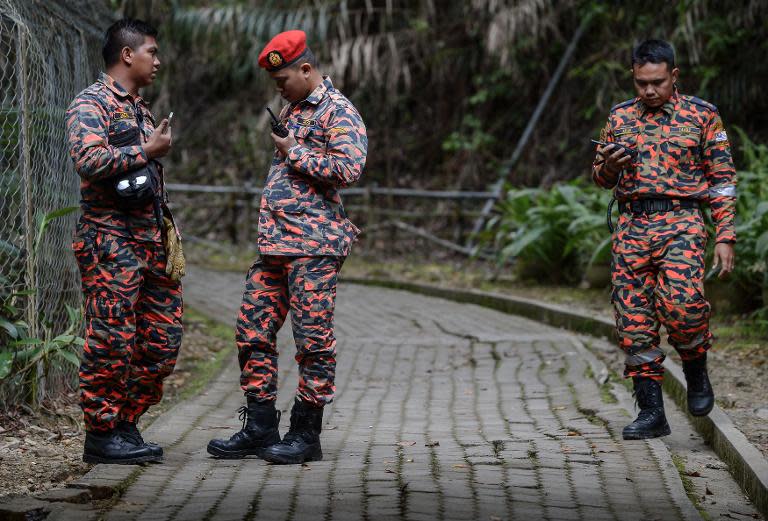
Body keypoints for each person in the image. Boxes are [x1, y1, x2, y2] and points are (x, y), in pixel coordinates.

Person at [207, 30, 367, 464]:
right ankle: (260, 427)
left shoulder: (338, 112)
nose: (278, 88)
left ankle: (305, 433)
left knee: (312, 340)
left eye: (283, 79)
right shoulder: (293, 109)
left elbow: (349, 168)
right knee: (251, 330)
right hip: (275, 247)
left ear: (306, 69)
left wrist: (295, 151)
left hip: (313, 247)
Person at [592, 39, 736, 440]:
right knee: (633, 320)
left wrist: (725, 235)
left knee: (684, 307)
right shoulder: (619, 117)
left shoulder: (703, 115)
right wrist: (609, 165)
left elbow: (722, 180)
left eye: (657, 82)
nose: (649, 91)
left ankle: (696, 368)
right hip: (632, 227)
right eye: (641, 83)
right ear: (633, 78)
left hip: (682, 223)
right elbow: (599, 178)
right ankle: (651, 411)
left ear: (674, 75)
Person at [66, 18, 184, 464]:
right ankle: (101, 434)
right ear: (127, 54)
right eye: (152, 52)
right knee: (111, 339)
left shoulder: (140, 108)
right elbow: (88, 158)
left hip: (150, 241)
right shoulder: (90, 103)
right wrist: (147, 151)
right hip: (109, 241)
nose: (158, 60)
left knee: (162, 342)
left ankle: (125, 424)